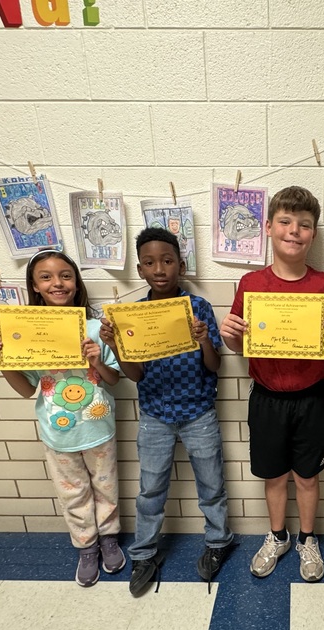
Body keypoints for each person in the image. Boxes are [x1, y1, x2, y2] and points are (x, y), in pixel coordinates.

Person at [220, 186, 324, 582]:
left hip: (312, 396)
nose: (294, 231)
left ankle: (307, 539)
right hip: (266, 398)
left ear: (313, 233)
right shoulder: (251, 283)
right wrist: (229, 333)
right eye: (286, 222)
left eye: (305, 225)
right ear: (269, 227)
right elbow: (238, 344)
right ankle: (278, 536)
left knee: (307, 476)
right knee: (274, 476)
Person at [99, 228, 234, 595]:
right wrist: (118, 346)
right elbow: (135, 375)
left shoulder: (199, 308)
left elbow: (214, 366)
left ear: (181, 265)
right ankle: (144, 552)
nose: (159, 268)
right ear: (141, 270)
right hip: (155, 415)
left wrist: (205, 339)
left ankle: (219, 541)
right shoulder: (133, 316)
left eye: (168, 260)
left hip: (199, 413)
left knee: (211, 484)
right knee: (150, 489)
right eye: (150, 262)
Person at [0, 249, 123, 587]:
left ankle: (109, 539)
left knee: (106, 489)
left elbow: (115, 379)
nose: (57, 283)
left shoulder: (94, 327)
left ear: (76, 283)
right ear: (34, 285)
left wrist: (97, 360)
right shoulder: (23, 331)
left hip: (98, 429)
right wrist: (1, 359)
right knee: (74, 495)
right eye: (46, 277)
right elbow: (25, 390)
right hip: (57, 434)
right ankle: (86, 547)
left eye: (65, 275)